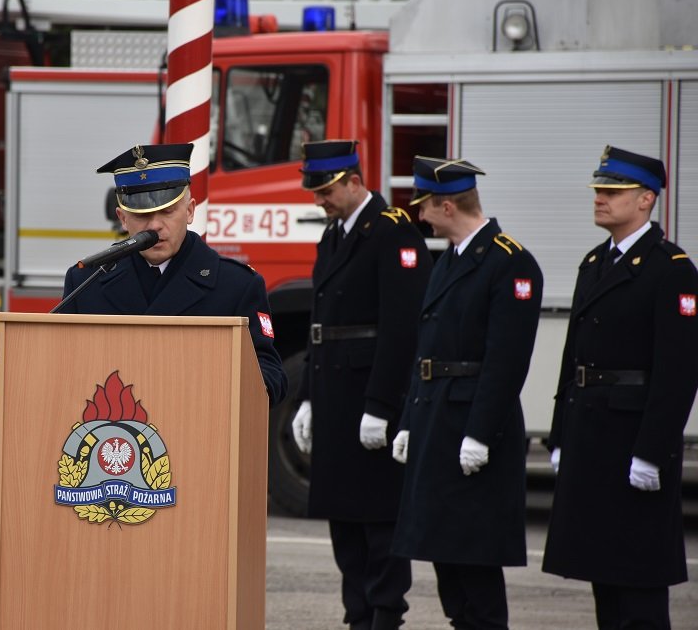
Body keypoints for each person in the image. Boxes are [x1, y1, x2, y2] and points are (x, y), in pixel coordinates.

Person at [542, 146, 698, 629]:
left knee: (638, 582)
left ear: (646, 199)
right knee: (604, 578)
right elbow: (572, 359)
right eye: (598, 190)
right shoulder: (595, 262)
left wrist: (652, 451)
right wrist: (560, 435)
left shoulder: (670, 268)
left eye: (613, 191)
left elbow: (678, 372)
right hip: (590, 436)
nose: (600, 198)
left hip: (631, 439)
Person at [391, 156, 543, 630]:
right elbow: (427, 348)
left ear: (447, 205)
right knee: (447, 561)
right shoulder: (450, 260)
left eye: (423, 206)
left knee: (475, 564)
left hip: (471, 427)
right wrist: (409, 422)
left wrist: (480, 433)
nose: (419, 216)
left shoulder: (508, 262)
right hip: (436, 421)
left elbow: (507, 360)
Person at [289, 140, 431, 630]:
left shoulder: (393, 231)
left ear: (354, 182)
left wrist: (382, 403)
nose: (319, 200)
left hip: (369, 395)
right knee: (345, 520)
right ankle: (359, 616)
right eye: (315, 191)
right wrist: (307, 398)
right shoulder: (334, 235)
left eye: (326, 190)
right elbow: (320, 323)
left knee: (378, 519)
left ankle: (384, 615)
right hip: (333, 395)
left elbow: (403, 328)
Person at [59, 142, 287, 406]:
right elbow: (62, 366)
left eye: (167, 211)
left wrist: (219, 386)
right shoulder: (86, 281)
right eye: (142, 215)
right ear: (122, 218)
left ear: (189, 211)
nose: (155, 226)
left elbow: (269, 375)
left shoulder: (236, 285)